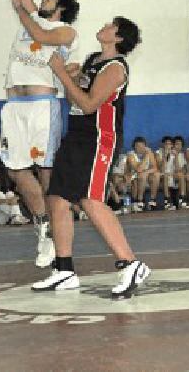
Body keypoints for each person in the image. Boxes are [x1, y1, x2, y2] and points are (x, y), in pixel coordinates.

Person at [31, 15, 152, 299]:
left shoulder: (115, 68)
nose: (105, 26)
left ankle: (131, 263)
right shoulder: (93, 60)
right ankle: (64, 269)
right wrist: (73, 78)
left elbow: (88, 104)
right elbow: (77, 99)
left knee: (90, 199)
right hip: (76, 135)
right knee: (57, 197)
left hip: (99, 140)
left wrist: (61, 74)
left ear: (118, 37)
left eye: (111, 26)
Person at [2, 0, 80, 268]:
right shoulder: (32, 18)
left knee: (45, 170)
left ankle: (56, 231)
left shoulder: (64, 32)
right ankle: (44, 226)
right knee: (17, 172)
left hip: (41, 106)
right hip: (13, 105)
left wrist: (19, 8)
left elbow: (39, 34)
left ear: (59, 6)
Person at [126, 136, 162, 211]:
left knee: (156, 175)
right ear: (134, 146)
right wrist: (146, 156)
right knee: (142, 175)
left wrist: (146, 172)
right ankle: (140, 200)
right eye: (138, 146)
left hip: (146, 174)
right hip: (133, 175)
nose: (140, 148)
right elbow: (138, 169)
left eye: (142, 146)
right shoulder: (131, 155)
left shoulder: (150, 153)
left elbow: (155, 168)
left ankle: (153, 200)